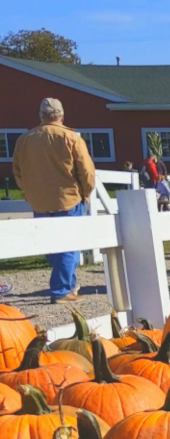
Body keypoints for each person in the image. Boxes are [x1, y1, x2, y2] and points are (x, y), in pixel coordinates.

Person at [12, 97, 95, 302]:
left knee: (50, 246)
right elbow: (86, 171)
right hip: (68, 199)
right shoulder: (71, 137)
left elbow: (18, 171)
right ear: (61, 115)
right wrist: (85, 193)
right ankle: (62, 290)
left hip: (39, 201)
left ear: (41, 116)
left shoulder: (24, 139)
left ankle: (69, 284)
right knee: (68, 245)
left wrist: (29, 191)